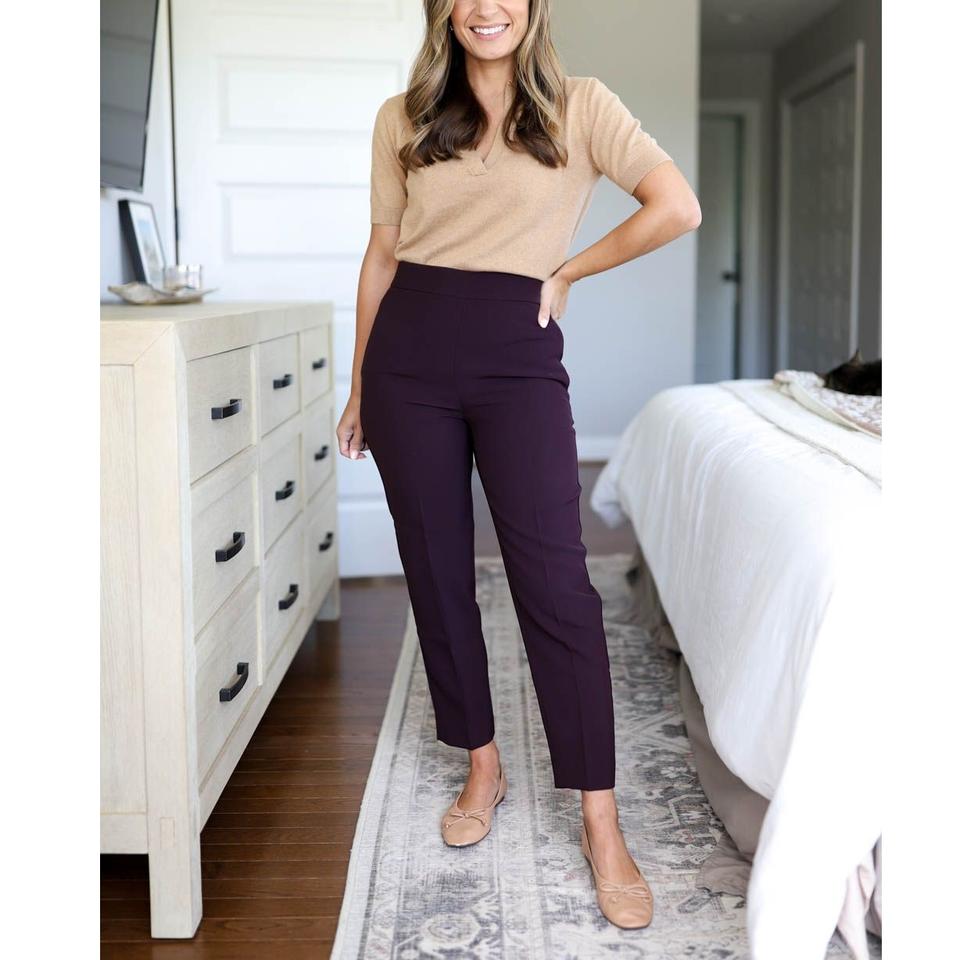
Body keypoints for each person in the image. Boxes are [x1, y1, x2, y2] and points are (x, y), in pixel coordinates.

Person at [336, 0, 700, 930]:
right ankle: (482, 765)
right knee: (437, 574)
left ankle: (600, 818)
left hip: (516, 358)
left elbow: (676, 206)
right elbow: (382, 255)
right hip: (407, 360)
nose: (485, 7)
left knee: (556, 585)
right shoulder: (402, 116)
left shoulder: (583, 105)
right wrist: (359, 383)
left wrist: (568, 271)